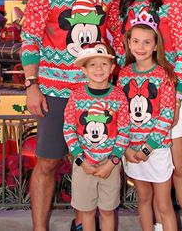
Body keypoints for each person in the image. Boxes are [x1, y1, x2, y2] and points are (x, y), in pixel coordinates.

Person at [21, 0, 119, 231]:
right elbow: (30, 39)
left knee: (93, 158)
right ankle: (40, 228)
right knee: (48, 161)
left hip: (96, 91)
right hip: (55, 89)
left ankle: (82, 223)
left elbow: (116, 34)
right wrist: (31, 85)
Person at [113, 0, 182, 231]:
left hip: (168, 94)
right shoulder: (123, 6)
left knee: (179, 165)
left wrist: (176, 98)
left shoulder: (171, 2)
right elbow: (119, 50)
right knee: (145, 180)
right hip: (135, 96)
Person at [117, 17, 177, 231]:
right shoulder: (123, 75)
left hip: (156, 149)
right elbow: (120, 116)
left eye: (146, 42)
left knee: (163, 203)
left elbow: (167, 115)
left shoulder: (165, 75)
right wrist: (126, 148)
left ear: (155, 45)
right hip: (132, 149)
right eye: (136, 41)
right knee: (143, 200)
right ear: (128, 43)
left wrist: (148, 147)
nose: (140, 47)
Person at [63, 42, 130, 231]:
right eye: (92, 64)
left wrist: (112, 161)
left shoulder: (118, 97)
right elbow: (69, 129)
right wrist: (81, 160)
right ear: (84, 69)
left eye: (104, 64)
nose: (98, 69)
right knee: (87, 213)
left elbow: (124, 131)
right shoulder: (76, 97)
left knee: (108, 211)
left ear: (112, 68)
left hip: (111, 164)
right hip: (83, 165)